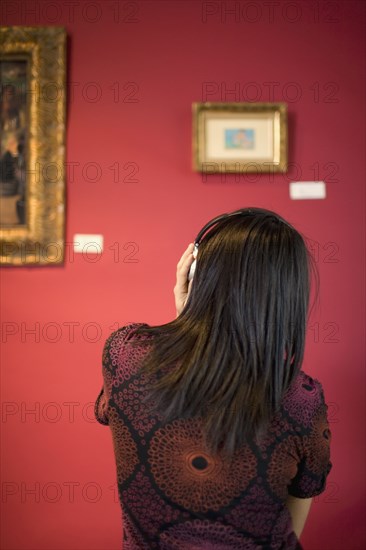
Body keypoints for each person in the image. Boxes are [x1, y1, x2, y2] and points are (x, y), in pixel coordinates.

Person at [95, 207, 332, 549]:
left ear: (194, 275)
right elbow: (295, 512)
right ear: (288, 297)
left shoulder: (125, 354)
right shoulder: (300, 399)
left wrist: (188, 318)